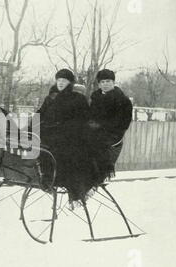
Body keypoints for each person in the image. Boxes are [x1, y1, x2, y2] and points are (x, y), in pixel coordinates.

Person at [35, 69, 91, 199]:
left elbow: (83, 120)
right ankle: (40, 173)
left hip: (70, 135)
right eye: (58, 80)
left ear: (70, 83)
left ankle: (52, 177)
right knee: (34, 142)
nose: (60, 83)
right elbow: (40, 114)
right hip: (48, 132)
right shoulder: (50, 98)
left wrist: (64, 127)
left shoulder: (77, 98)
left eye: (64, 80)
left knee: (55, 146)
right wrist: (31, 126)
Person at [87, 69, 133, 182]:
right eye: (102, 82)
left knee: (93, 144)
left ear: (113, 82)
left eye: (108, 81)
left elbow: (123, 123)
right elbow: (90, 116)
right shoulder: (95, 98)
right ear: (99, 84)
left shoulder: (123, 100)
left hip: (112, 136)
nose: (105, 84)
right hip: (93, 132)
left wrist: (100, 126)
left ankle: (98, 176)